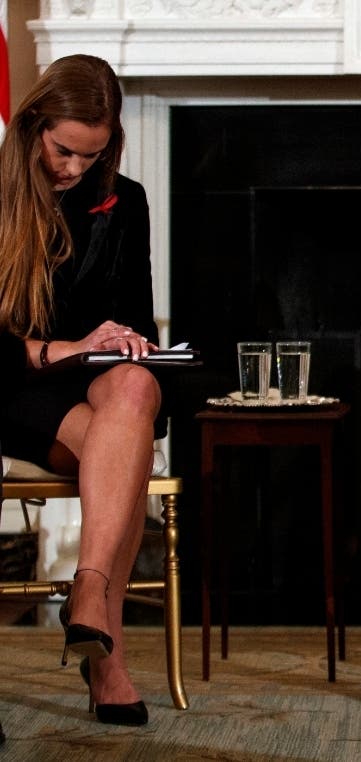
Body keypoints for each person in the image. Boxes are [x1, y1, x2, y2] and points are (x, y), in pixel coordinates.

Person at [0, 54, 168, 726]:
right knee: (125, 452)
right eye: (63, 150)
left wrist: (123, 341)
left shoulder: (124, 200)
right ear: (34, 125)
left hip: (91, 391)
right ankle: (107, 659)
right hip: (12, 386)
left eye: (90, 155)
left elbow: (133, 310)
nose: (72, 168)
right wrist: (64, 348)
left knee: (134, 383)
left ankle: (89, 589)